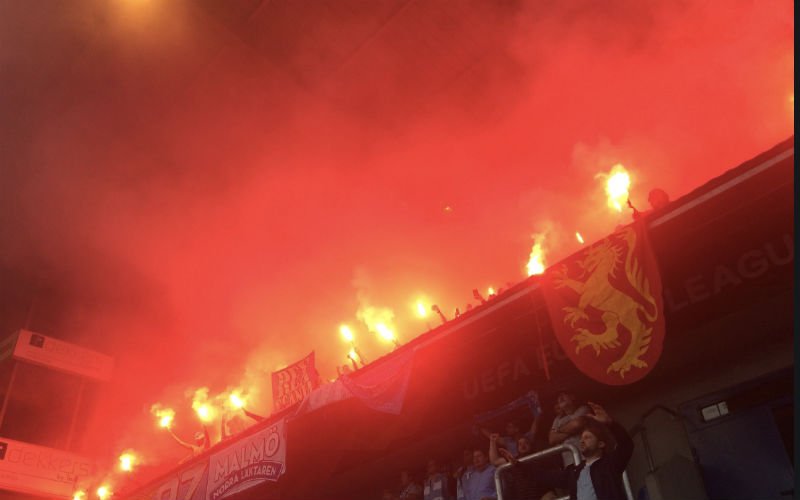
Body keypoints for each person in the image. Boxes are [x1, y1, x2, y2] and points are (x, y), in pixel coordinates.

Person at [534, 402, 634, 500]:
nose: (582, 441)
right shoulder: (575, 472)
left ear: (601, 444)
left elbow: (626, 445)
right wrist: (520, 465)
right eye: (581, 438)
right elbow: (546, 476)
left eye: (587, 437)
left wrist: (610, 423)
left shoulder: (610, 464)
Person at [489, 433, 548, 500]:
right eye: (520, 444)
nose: (523, 445)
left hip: (539, 496)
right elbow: (495, 461)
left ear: (531, 446)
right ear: (517, 448)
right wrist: (492, 442)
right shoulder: (513, 459)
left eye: (526, 443)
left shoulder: (537, 457)